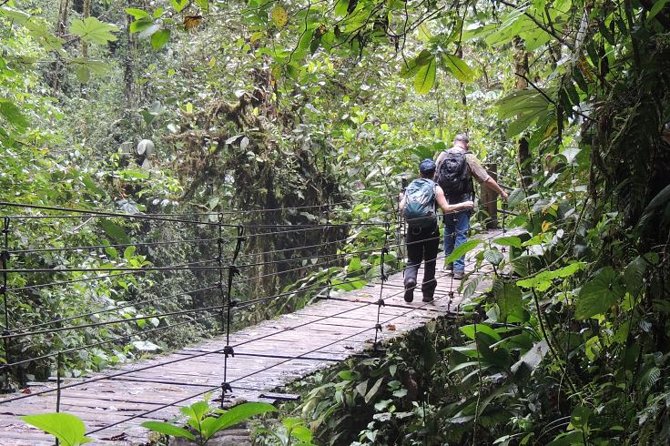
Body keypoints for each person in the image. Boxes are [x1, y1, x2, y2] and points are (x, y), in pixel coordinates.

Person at [435, 134, 508, 279]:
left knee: (449, 230)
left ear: (454, 142)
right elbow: (485, 179)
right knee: (461, 233)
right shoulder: (469, 158)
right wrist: (501, 191)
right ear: (466, 144)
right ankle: (458, 269)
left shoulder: (442, 156)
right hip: (464, 200)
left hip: (446, 200)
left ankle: (449, 263)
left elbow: (434, 177)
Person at [400, 159, 474, 303]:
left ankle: (410, 279)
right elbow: (446, 208)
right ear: (434, 173)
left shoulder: (411, 187)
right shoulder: (435, 188)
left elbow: (401, 207)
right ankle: (427, 295)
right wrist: (465, 204)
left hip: (413, 230)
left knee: (413, 260)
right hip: (430, 231)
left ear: (419, 172)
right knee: (430, 261)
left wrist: (402, 198)